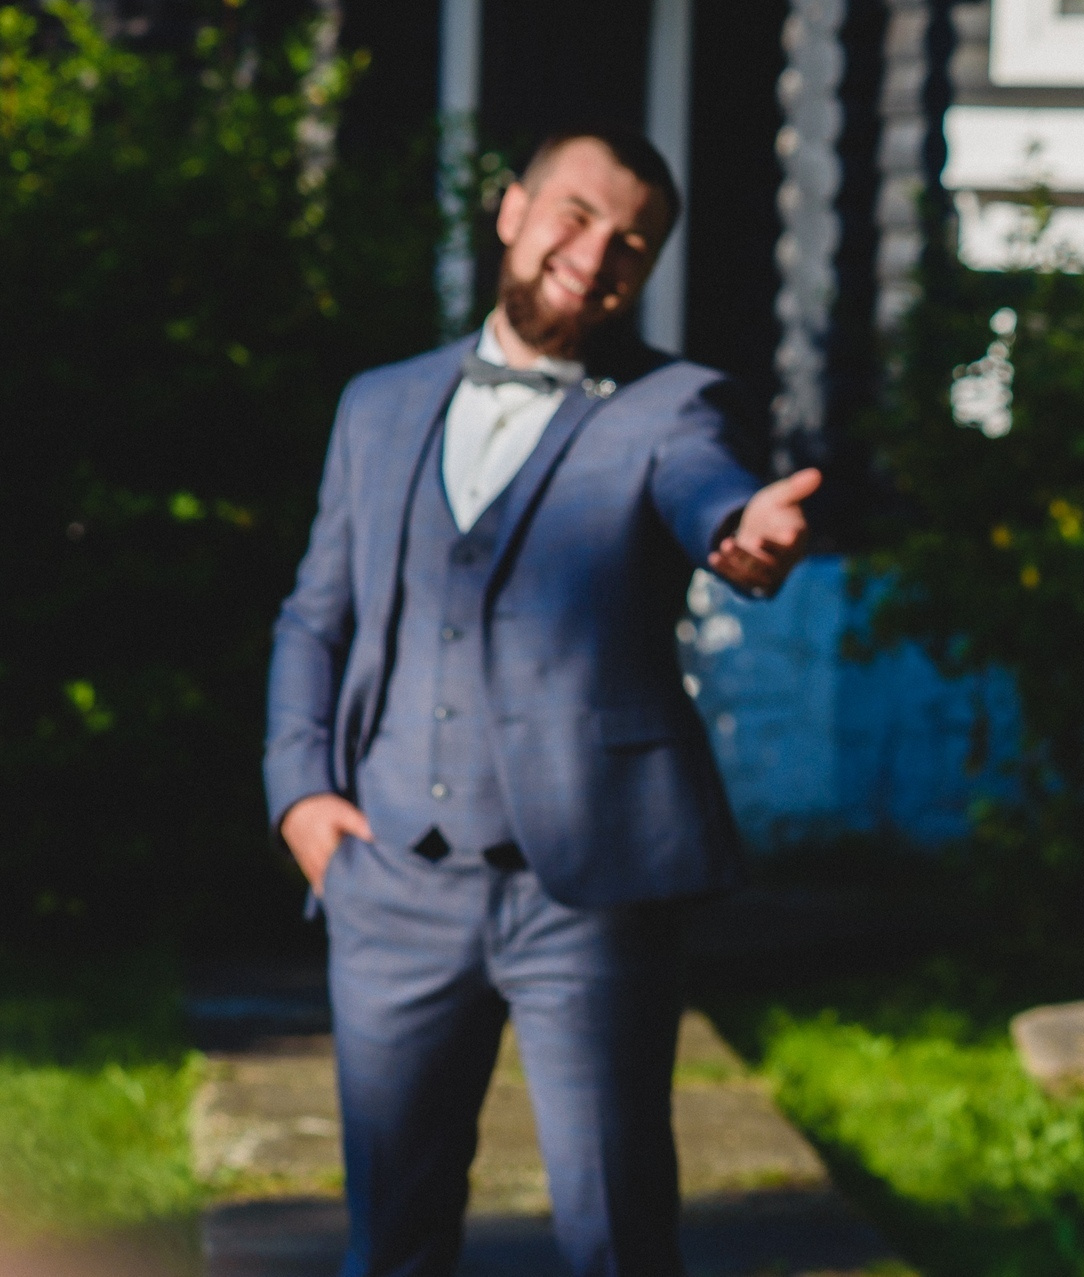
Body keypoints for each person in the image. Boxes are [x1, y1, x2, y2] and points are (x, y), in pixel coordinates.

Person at [264, 129, 821, 1277]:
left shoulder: (672, 404)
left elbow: (704, 484)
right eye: (574, 213)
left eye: (632, 240)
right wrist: (302, 798)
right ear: (513, 209)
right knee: (390, 1240)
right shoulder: (378, 404)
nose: (596, 252)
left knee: (616, 1233)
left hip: (591, 890)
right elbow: (314, 617)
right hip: (390, 880)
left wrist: (736, 531)